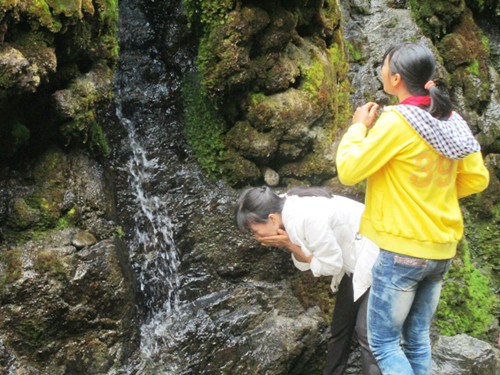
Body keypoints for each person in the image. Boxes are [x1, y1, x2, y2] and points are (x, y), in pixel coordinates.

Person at [336, 42, 490, 375]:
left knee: (385, 345)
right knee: (417, 340)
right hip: (441, 250)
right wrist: (434, 195)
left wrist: (357, 127)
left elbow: (349, 170)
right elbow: (477, 179)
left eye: (383, 65)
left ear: (394, 79)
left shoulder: (397, 122)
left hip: (402, 252)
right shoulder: (451, 118)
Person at [235, 186, 381, 375]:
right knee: (339, 328)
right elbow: (312, 260)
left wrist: (288, 244)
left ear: (271, 218)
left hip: (378, 261)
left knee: (367, 335)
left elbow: (330, 266)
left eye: (255, 231)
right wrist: (290, 243)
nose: (256, 237)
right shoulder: (284, 207)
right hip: (353, 265)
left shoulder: (307, 217)